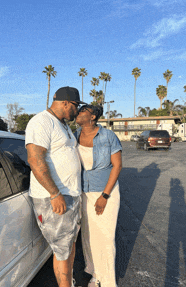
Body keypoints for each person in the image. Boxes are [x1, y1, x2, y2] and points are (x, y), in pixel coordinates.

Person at [25, 86, 86, 287]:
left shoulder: (62, 124)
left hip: (71, 195)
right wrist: (54, 193)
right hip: (56, 196)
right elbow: (35, 159)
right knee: (62, 250)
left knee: (68, 246)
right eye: (76, 106)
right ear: (65, 103)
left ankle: (68, 281)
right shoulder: (41, 122)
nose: (76, 111)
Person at [74, 104, 122, 287]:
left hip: (105, 192)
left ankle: (108, 281)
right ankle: (95, 272)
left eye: (82, 112)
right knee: (88, 235)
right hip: (83, 191)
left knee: (105, 236)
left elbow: (117, 166)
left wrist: (105, 195)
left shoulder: (108, 136)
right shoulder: (75, 135)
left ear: (92, 116)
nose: (77, 114)